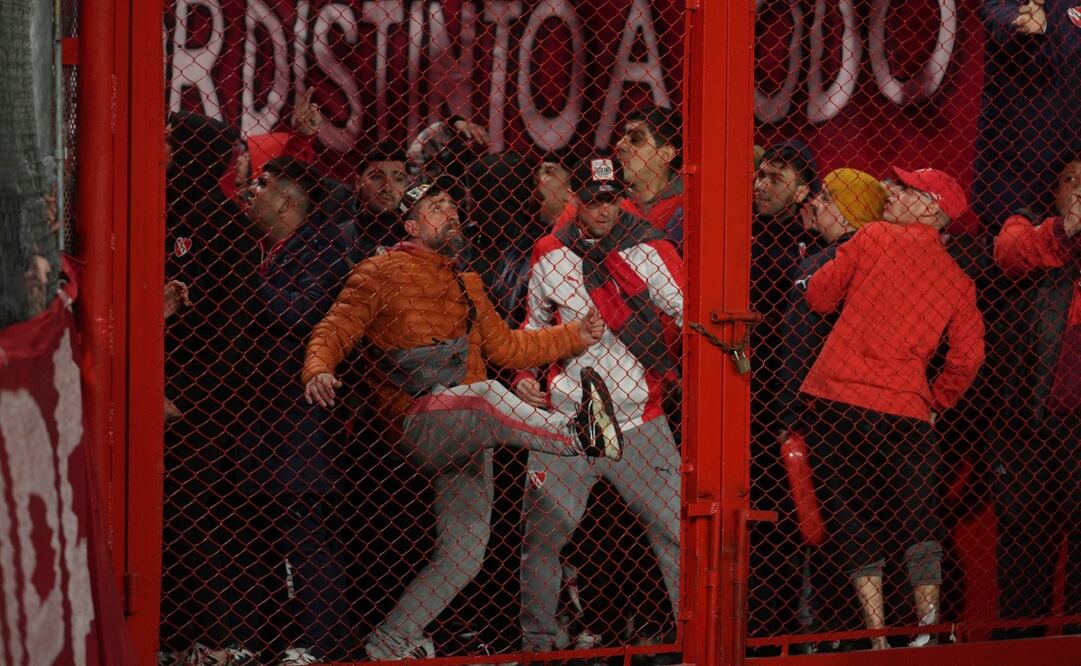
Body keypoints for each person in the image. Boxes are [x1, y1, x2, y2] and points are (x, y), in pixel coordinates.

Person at [301, 179, 624, 660]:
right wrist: (319, 367)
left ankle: (388, 644)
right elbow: (336, 325)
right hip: (419, 420)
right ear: (410, 225)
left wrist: (574, 335)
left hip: (469, 428)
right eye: (435, 208)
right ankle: (579, 433)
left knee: (464, 553)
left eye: (452, 206)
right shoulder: (380, 271)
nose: (449, 213)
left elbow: (508, 349)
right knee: (485, 395)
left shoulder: (467, 281)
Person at [799, 167, 985, 649]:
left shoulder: (875, 237)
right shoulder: (957, 279)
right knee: (918, 518)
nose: (890, 191)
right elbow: (969, 357)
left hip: (838, 399)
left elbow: (819, 298)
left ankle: (878, 636)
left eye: (905, 189)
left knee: (851, 516)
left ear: (932, 209)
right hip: (905, 409)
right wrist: (936, 401)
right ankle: (924, 630)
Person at [515, 156, 684, 654]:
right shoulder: (549, 251)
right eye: (592, 200)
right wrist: (525, 373)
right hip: (568, 418)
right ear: (575, 200)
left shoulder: (651, 247)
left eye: (610, 198)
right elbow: (532, 323)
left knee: (676, 534)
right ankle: (538, 647)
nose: (603, 209)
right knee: (541, 542)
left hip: (638, 418)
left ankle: (696, 640)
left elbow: (691, 310)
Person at [232, 157, 357, 664]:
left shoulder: (323, 249)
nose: (249, 193)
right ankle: (258, 643)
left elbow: (295, 312)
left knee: (303, 531)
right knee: (260, 534)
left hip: (301, 419)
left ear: (285, 200)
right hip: (263, 418)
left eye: (260, 186)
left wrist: (242, 275)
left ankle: (322, 645)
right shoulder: (270, 249)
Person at [160, 111, 262, 666]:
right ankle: (174, 638)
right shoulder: (155, 208)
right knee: (160, 509)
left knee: (186, 507)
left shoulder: (229, 227)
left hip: (204, 399)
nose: (164, 151)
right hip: (155, 383)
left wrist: (186, 396)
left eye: (173, 143)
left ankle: (217, 640)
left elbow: (233, 332)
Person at [774, 169, 886, 651]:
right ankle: (882, 633)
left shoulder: (821, 263)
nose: (814, 204)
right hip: (890, 414)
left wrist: (785, 415)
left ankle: (831, 635)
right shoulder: (896, 259)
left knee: (828, 531)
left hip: (825, 415)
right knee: (885, 522)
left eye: (823, 196)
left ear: (843, 205)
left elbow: (797, 346)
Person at [990, 153, 1081, 638]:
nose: (1080, 194)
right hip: (1027, 424)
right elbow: (1008, 254)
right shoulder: (1029, 225)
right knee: (1023, 545)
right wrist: (1064, 234)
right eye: (1073, 182)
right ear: (1057, 189)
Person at [747, 139, 821, 641]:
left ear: (802, 190)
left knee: (800, 516)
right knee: (752, 514)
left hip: (798, 399)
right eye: (760, 175)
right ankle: (751, 625)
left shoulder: (817, 246)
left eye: (775, 177)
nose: (760, 185)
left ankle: (786, 629)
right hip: (746, 394)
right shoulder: (739, 233)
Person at [973, 0, 1081, 231]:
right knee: (1009, 248)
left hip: (1072, 159)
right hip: (1018, 159)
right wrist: (1021, 22)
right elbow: (995, 12)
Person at [615, 105, 684, 248]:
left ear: (665, 155)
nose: (619, 144)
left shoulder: (690, 207)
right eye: (623, 137)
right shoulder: (599, 202)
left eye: (635, 139)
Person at [344, 140, 410, 263]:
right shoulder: (337, 237)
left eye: (398, 179)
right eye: (377, 177)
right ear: (358, 182)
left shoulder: (415, 239)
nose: (388, 188)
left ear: (407, 185)